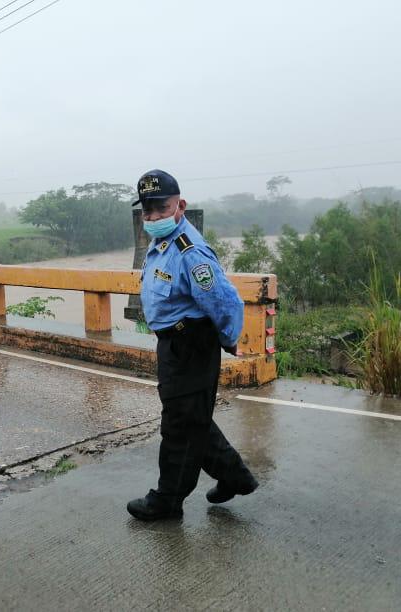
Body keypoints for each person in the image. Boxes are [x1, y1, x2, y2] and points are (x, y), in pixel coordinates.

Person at [127, 169, 258, 521]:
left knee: (178, 425)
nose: (153, 217)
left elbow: (225, 301)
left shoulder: (191, 252)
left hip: (191, 344)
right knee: (190, 418)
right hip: (173, 344)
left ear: (180, 205)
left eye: (161, 208)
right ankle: (236, 476)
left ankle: (167, 500)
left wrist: (229, 340)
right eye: (147, 210)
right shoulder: (163, 241)